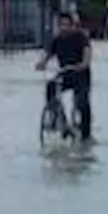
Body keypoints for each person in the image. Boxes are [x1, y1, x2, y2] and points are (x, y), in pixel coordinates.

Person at [36, 13, 94, 142]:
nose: (63, 28)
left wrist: (83, 64)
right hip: (65, 74)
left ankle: (86, 134)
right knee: (51, 87)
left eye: (66, 25)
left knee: (83, 102)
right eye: (61, 25)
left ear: (72, 26)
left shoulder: (81, 37)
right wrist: (42, 63)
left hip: (81, 75)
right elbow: (47, 54)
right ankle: (57, 117)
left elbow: (87, 54)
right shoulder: (57, 40)